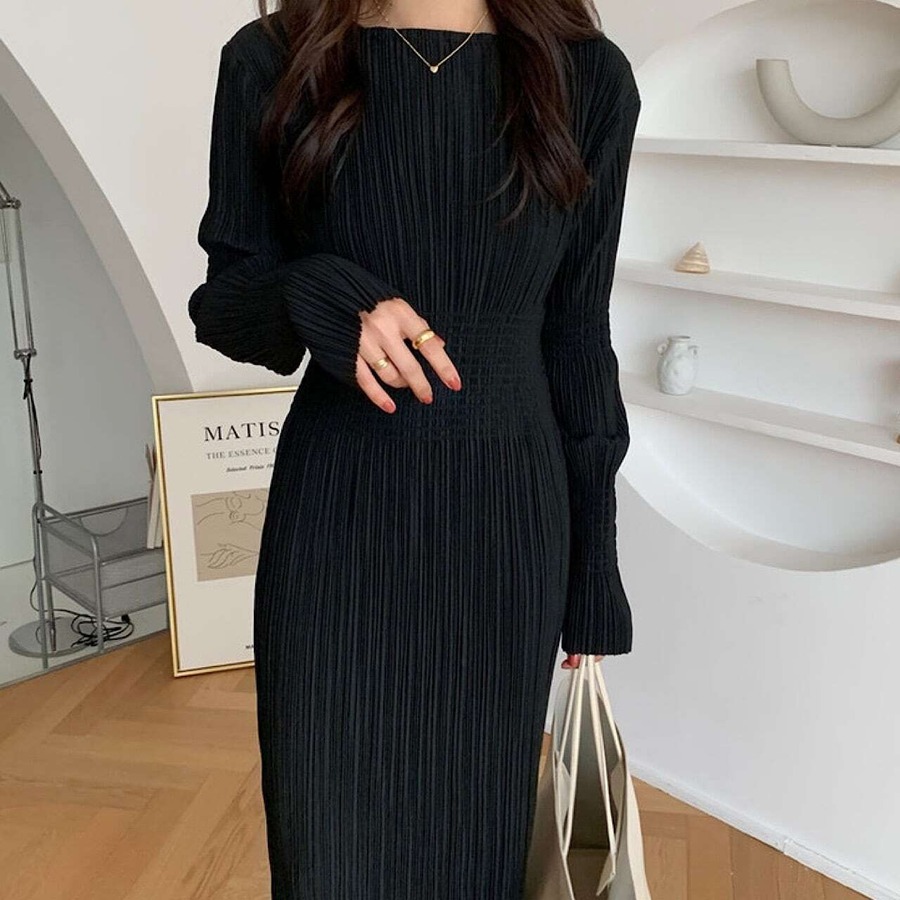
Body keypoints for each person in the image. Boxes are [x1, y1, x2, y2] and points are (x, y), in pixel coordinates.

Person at [188, 1, 640, 896]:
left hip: (506, 523)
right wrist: (322, 294)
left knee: (476, 838)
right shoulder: (272, 60)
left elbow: (579, 333)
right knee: (326, 842)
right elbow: (225, 304)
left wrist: (595, 566)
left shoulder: (587, 76)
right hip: (339, 516)